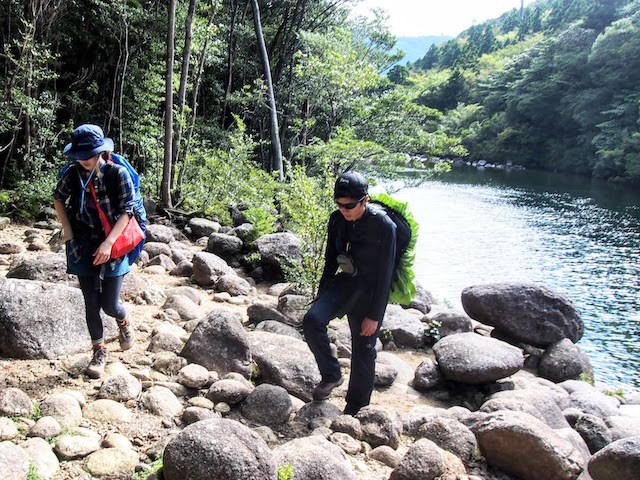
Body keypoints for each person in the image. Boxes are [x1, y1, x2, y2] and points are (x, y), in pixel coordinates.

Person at [303, 171, 397, 415]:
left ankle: (355, 409)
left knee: (364, 347)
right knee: (312, 320)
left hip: (371, 290)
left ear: (365, 200)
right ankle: (331, 374)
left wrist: (375, 316)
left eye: (350, 205)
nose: (344, 209)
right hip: (346, 281)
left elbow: (386, 275)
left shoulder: (384, 226)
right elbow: (330, 261)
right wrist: (322, 294)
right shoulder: (336, 220)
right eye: (339, 204)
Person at [53, 124, 137, 379]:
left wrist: (109, 243)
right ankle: (99, 351)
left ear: (100, 151)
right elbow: (58, 197)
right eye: (79, 155)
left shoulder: (117, 174)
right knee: (91, 301)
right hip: (83, 242)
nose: (83, 160)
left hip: (114, 243)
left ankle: (123, 321)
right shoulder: (72, 173)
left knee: (109, 305)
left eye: (87, 155)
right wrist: (66, 228)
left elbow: (127, 211)